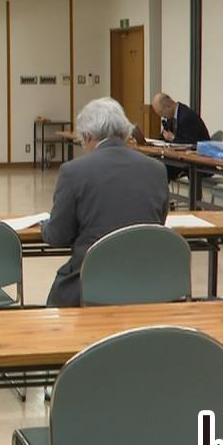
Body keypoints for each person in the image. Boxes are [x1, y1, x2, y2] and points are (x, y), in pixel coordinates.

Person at [42, 97, 169, 307]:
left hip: (90, 281)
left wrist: (45, 226)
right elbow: (158, 222)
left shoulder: (73, 171)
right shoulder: (157, 169)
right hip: (145, 282)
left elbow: (58, 236)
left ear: (89, 136)